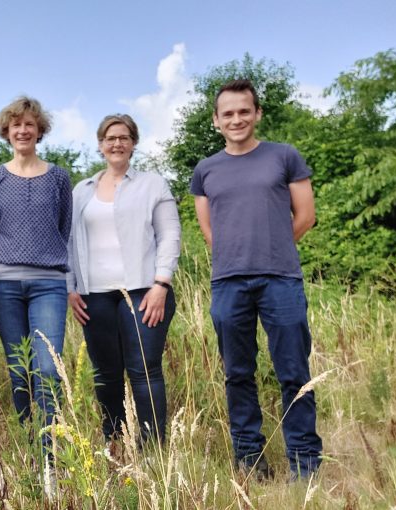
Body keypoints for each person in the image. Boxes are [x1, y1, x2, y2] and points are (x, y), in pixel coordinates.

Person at [190, 79, 322, 480]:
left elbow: (305, 216)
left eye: (244, 111)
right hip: (228, 284)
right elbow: (210, 231)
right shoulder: (205, 170)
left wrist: (273, 247)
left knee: (293, 372)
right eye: (227, 113)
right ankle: (250, 460)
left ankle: (304, 464)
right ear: (216, 120)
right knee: (238, 373)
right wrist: (239, 255)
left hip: (281, 280)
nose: (236, 119)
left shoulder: (285, 157)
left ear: (257, 113)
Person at [67, 114, 180, 447]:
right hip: (94, 296)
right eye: (110, 138)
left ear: (133, 143)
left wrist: (162, 284)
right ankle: (114, 444)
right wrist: (71, 288)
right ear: (101, 144)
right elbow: (70, 241)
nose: (117, 143)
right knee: (106, 375)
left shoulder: (152, 184)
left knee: (145, 371)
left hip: (144, 291)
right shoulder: (81, 190)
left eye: (124, 137)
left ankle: (152, 452)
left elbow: (170, 234)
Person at [0, 97, 72, 459]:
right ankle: (29, 445)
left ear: (39, 130)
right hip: (2, 285)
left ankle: (51, 453)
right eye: (16, 125)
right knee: (19, 368)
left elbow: (62, 227)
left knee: (48, 369)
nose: (22, 130)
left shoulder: (58, 177)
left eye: (29, 125)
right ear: (7, 131)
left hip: (48, 283)